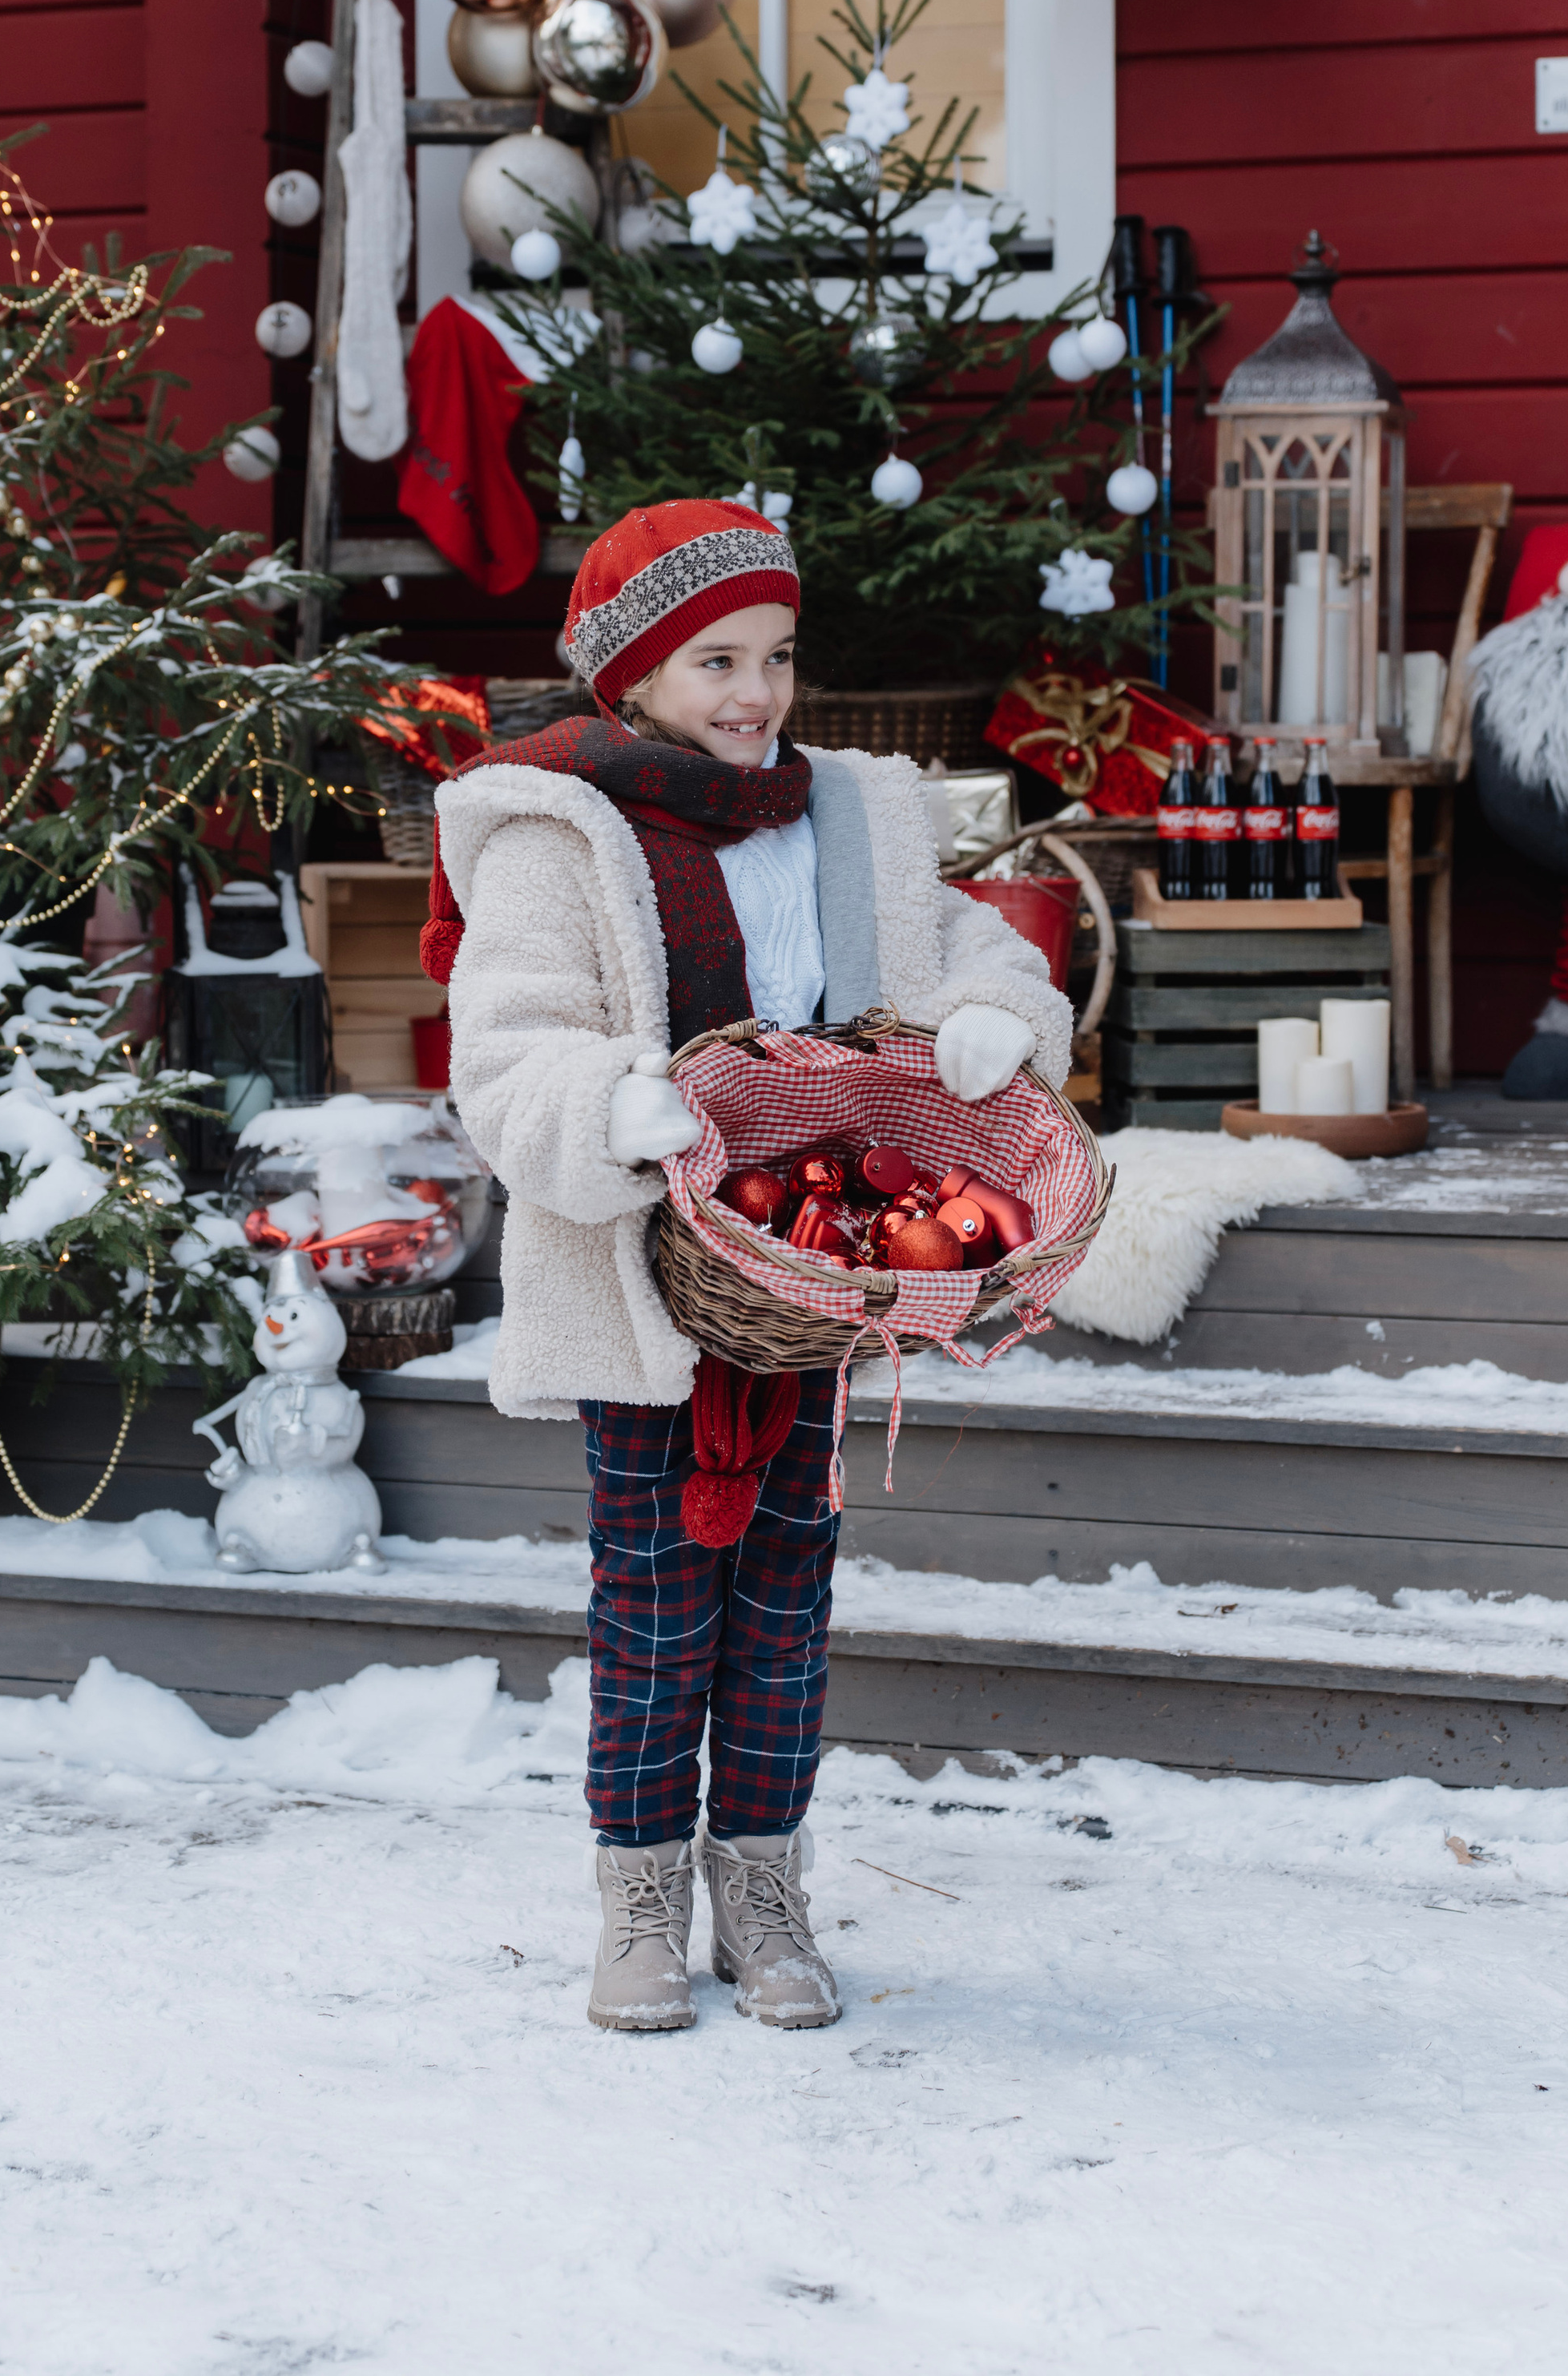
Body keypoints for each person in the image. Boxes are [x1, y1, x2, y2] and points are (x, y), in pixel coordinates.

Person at [425, 498, 1070, 2035]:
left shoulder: (845, 812)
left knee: (787, 1601)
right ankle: (639, 1895)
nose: (756, 693)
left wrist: (995, 1018)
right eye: (716, 659)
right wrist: (606, 1104)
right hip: (651, 1279)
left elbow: (966, 945)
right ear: (635, 672)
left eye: (778, 655)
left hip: (813, 1270)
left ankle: (763, 1889)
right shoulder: (556, 827)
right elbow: (505, 1045)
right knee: (653, 1601)